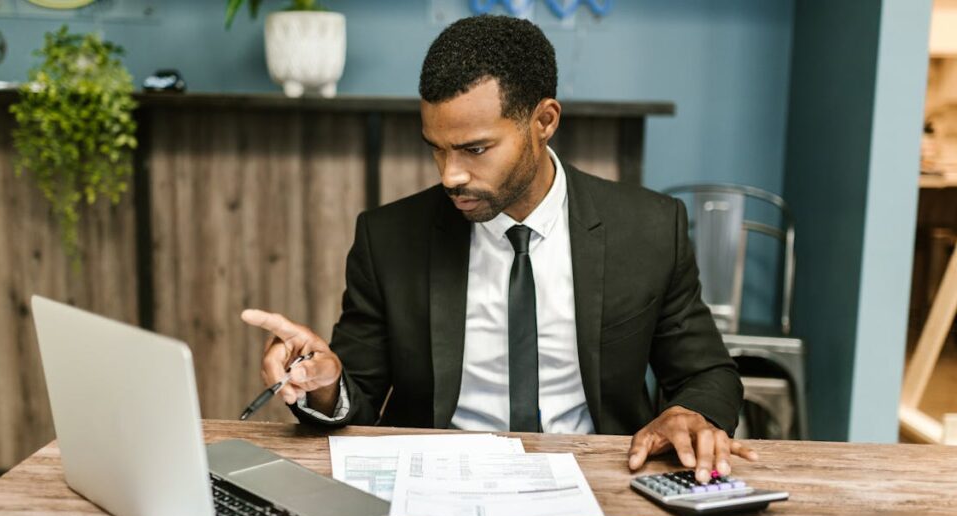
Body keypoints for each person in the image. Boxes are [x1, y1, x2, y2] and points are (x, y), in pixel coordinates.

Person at [240, 15, 757, 484]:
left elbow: (705, 371)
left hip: (601, 478)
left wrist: (693, 414)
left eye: (475, 149)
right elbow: (359, 395)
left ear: (544, 121)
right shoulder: (389, 238)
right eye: (436, 149)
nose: (451, 175)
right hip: (439, 484)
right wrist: (324, 384)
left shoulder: (647, 228)